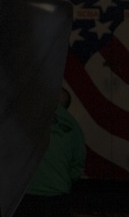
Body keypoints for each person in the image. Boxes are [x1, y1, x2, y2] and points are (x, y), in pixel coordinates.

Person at [14, 87, 86, 217]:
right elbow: (77, 166)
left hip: (26, 194)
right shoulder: (74, 128)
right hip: (57, 197)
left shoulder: (26, 117)